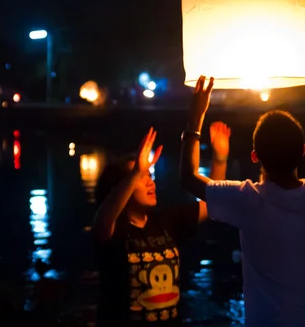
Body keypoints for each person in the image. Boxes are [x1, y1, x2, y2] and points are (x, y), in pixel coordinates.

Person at [179, 73, 305, 327]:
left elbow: (189, 179)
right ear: (303, 151)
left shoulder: (249, 200)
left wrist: (196, 117)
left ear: (255, 156)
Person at [93, 123, 231, 326]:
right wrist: (134, 174)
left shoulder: (166, 222)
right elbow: (102, 223)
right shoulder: (114, 230)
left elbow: (211, 204)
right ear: (123, 187)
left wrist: (220, 158)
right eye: (142, 177)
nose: (150, 182)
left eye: (149, 175)